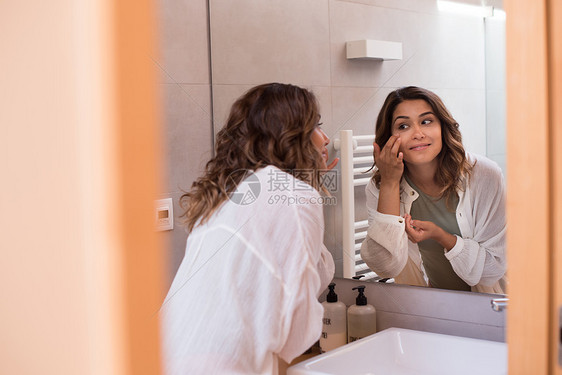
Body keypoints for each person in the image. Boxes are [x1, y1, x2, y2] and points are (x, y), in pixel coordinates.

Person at [160, 83, 338, 375]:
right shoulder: (291, 195)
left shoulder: (230, 194)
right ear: (291, 136)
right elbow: (295, 333)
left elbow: (288, 270)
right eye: (316, 126)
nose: (325, 138)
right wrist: (306, 189)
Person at [360, 86, 506, 293]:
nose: (418, 134)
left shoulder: (484, 175)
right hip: (434, 307)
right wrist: (390, 183)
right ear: (389, 138)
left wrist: (442, 237)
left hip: (496, 309)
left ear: (442, 127)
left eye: (426, 121)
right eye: (403, 126)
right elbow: (384, 266)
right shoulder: (382, 187)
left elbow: (493, 268)